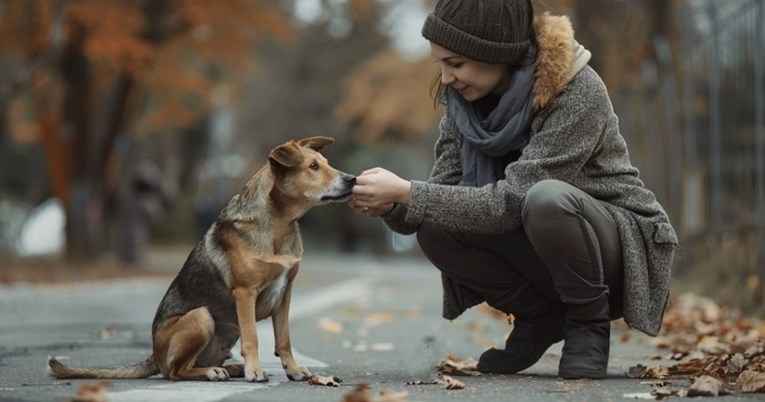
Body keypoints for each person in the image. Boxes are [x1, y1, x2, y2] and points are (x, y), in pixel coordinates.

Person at [348, 0, 678, 380]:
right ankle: (539, 317)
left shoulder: (577, 90)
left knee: (546, 198)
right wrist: (391, 201)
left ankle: (588, 326)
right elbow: (436, 197)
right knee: (435, 225)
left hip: (617, 251)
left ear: (497, 53)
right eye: (439, 63)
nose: (446, 77)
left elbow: (512, 201)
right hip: (546, 248)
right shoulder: (463, 108)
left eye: (455, 63)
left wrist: (408, 192)